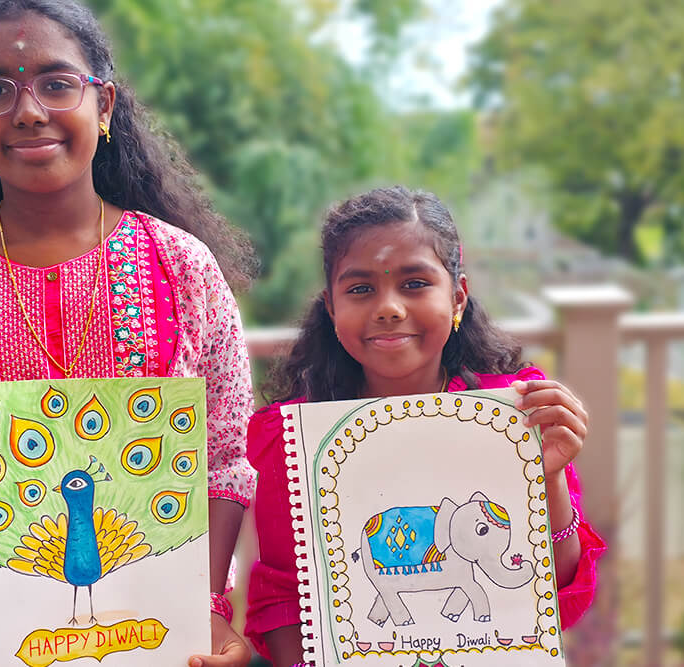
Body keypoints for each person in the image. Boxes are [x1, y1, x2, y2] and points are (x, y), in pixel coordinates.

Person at [0, 1, 257, 665]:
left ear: (106, 105)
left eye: (58, 84)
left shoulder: (184, 269)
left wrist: (198, 608)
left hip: (154, 636)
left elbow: (224, 465)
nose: (29, 111)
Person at [243, 186, 607, 667]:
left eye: (414, 284)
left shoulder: (517, 417)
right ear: (331, 309)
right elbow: (285, 601)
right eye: (360, 289)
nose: (389, 307)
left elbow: (558, 593)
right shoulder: (289, 443)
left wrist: (550, 476)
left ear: (457, 297)